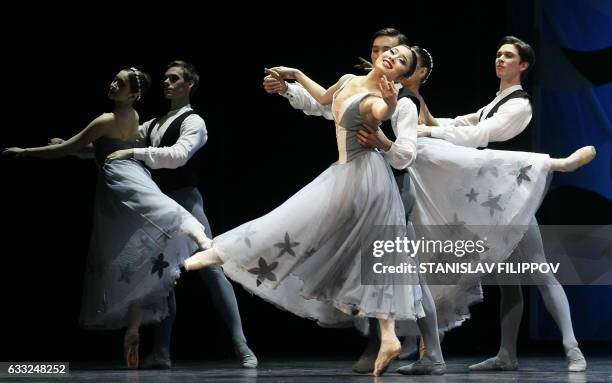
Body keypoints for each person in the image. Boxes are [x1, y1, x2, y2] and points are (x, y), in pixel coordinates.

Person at [182, 45, 449, 376]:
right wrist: (293, 78)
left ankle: (223, 250)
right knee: (374, 258)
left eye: (401, 60)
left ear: (403, 75)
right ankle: (391, 337)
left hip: (369, 179)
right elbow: (324, 101)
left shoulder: (392, 100)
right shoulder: (350, 79)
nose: (390, 56)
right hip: (347, 173)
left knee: (298, 223)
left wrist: (387, 120)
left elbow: (391, 130)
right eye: (387, 50)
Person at [3, 67, 213, 369]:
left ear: (133, 93)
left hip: (118, 181)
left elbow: (69, 148)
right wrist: (76, 150)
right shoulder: (135, 119)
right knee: (140, 251)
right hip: (135, 175)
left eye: (121, 83)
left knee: (162, 214)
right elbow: (101, 147)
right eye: (114, 80)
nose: (112, 85)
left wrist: (26, 151)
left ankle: (199, 236)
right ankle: (133, 328)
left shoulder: (106, 119)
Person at [417, 36, 589, 372]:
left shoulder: (518, 105)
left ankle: (573, 348)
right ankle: (507, 353)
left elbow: (479, 135)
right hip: (494, 202)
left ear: (523, 65)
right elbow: (461, 123)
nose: (500, 59)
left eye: (508, 56)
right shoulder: (495, 102)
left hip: (513, 199)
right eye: (498, 54)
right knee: (509, 282)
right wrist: (426, 119)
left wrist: (431, 133)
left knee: (540, 272)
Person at [105, 60, 257, 369]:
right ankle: (161, 350)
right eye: (165, 79)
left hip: (186, 203)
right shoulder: (154, 123)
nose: (167, 83)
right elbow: (120, 144)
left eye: (174, 79)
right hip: (159, 210)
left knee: (212, 270)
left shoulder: (194, 121)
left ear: (190, 84)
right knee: (164, 276)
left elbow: (177, 156)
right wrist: (79, 147)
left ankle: (241, 342)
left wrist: (136, 153)